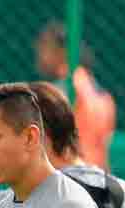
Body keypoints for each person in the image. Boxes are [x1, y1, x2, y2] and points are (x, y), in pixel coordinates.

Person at [35, 20, 116, 170]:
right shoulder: (102, 95)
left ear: (62, 52)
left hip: (71, 177)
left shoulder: (66, 89)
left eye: (44, 47)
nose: (39, 55)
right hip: (96, 178)